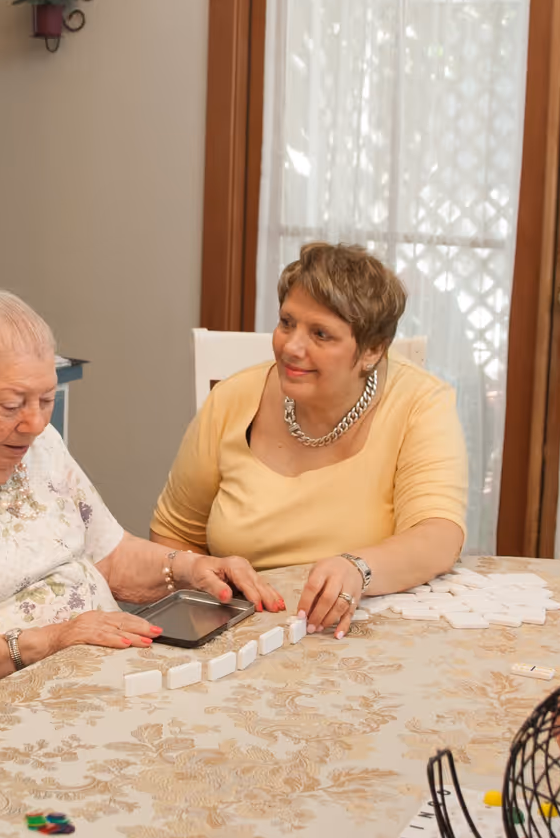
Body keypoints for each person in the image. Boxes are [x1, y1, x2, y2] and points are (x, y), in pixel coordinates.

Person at [0, 282, 282, 726]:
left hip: (91, 689)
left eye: (46, 400)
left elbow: (109, 554)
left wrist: (189, 569)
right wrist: (45, 642)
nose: (34, 423)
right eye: (12, 404)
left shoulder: (37, 444)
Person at [150, 242, 468, 639]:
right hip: (245, 632)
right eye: (287, 323)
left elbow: (438, 535)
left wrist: (359, 568)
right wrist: (210, 600)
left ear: (372, 349)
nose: (291, 347)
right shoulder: (231, 399)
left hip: (363, 632)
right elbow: (173, 535)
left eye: (320, 334)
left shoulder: (420, 401)